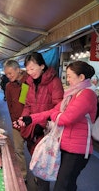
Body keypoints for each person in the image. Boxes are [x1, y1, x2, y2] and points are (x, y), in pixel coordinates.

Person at [15, 61, 98, 191]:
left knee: (62, 185)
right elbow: (46, 109)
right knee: (65, 183)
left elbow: (66, 118)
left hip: (76, 149)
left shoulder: (86, 94)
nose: (67, 79)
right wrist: (30, 118)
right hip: (63, 143)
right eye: (28, 69)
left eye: (70, 76)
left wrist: (54, 116)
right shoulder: (72, 94)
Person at [14, 52, 64, 190]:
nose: (30, 73)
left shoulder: (54, 82)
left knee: (43, 164)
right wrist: (24, 120)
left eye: (33, 69)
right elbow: (27, 105)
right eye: (28, 70)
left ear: (42, 66)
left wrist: (41, 124)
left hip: (46, 130)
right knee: (37, 161)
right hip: (31, 128)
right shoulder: (28, 83)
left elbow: (58, 107)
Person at [3, 59, 29, 180]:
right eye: (6, 74)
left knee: (35, 150)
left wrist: (26, 120)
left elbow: (26, 104)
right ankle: (22, 175)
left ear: (18, 70)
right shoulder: (8, 86)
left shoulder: (28, 82)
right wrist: (15, 121)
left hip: (30, 122)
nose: (8, 76)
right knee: (18, 150)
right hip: (17, 122)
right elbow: (10, 106)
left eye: (10, 73)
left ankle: (40, 177)